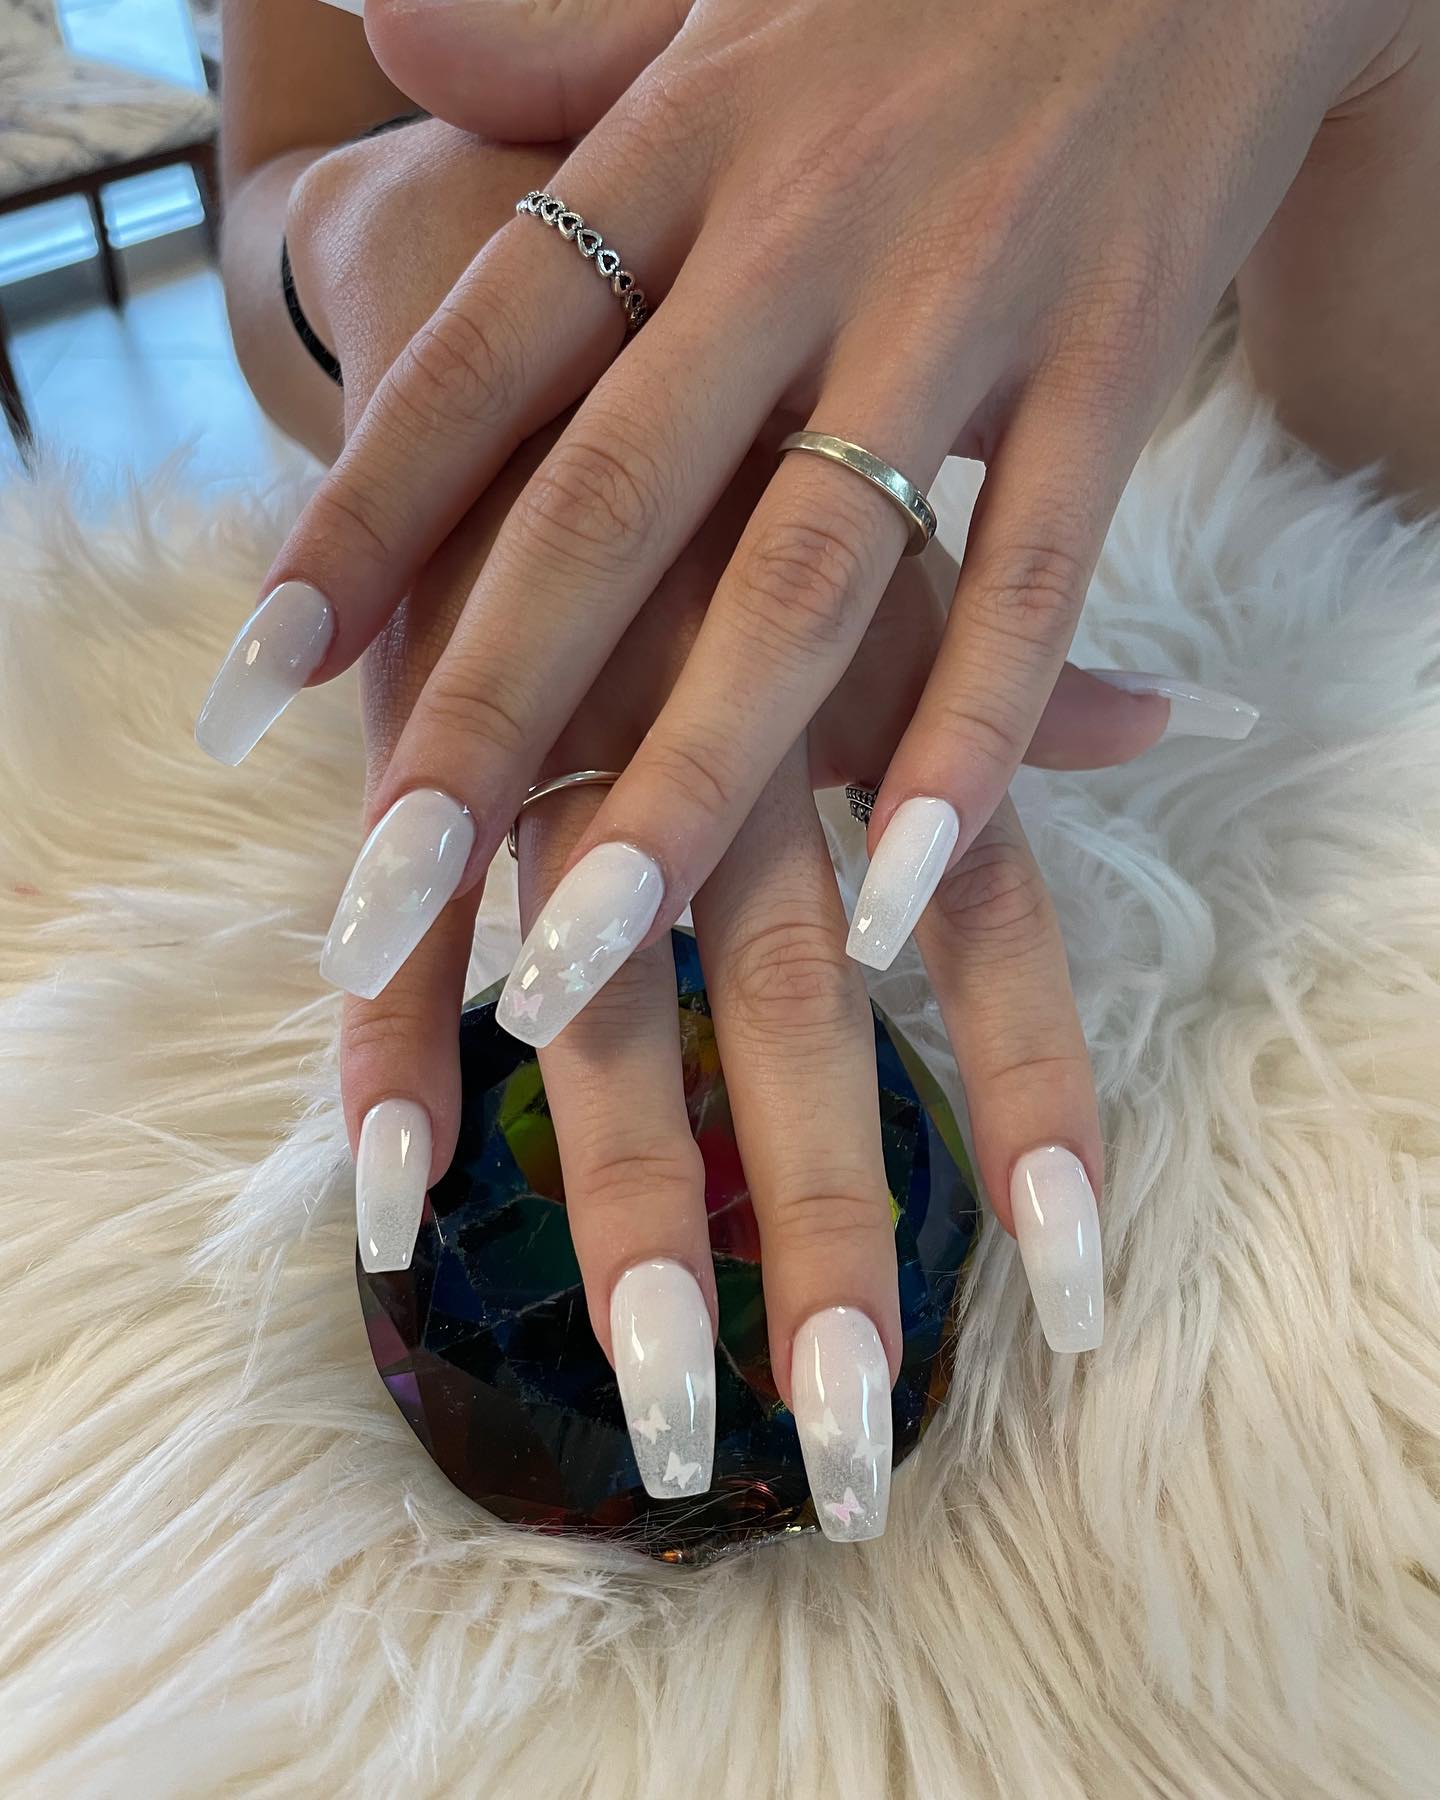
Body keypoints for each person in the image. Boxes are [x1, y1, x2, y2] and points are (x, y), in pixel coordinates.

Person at [205, 0, 1438, 1539]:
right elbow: (274, 185)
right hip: (519, 550)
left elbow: (1376, 461)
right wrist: (424, 227)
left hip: (1150, 502)